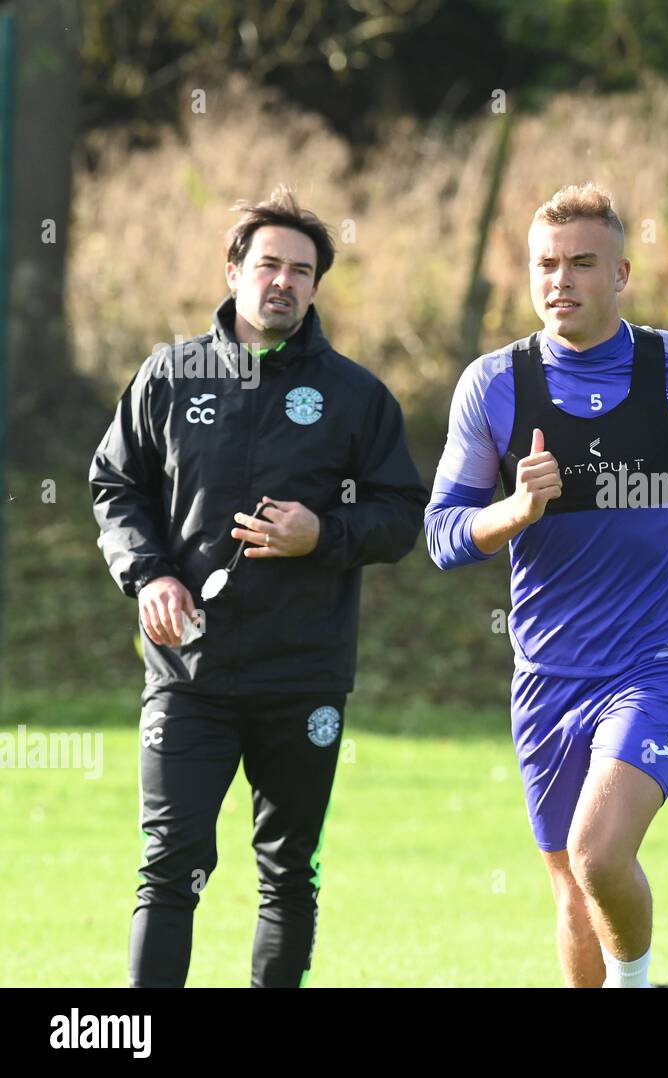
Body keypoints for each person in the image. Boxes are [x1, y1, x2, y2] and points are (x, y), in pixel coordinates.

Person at [425, 182, 668, 987]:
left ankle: (635, 984)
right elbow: (442, 535)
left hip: (661, 660)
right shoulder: (494, 385)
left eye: (582, 263)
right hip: (547, 671)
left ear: (621, 273)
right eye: (546, 264)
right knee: (572, 889)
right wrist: (516, 508)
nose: (561, 281)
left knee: (598, 851)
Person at [89, 186, 427, 987]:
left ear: (316, 288)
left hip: (302, 676)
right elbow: (116, 487)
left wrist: (323, 534)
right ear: (233, 268)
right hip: (188, 678)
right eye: (268, 263)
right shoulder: (168, 377)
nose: (283, 282)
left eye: (301, 271)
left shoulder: (356, 396)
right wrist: (150, 575)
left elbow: (401, 515)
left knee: (288, 875)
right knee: (169, 871)